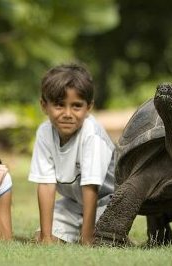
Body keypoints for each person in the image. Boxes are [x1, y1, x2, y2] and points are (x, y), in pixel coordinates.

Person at [28, 63, 115, 245]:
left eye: (76, 106)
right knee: (40, 239)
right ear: (44, 106)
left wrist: (87, 237)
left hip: (108, 202)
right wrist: (46, 237)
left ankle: (96, 234)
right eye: (59, 105)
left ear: (89, 107)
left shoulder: (91, 134)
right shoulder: (44, 132)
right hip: (74, 203)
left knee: (102, 242)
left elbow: (91, 187)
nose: (68, 114)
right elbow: (45, 184)